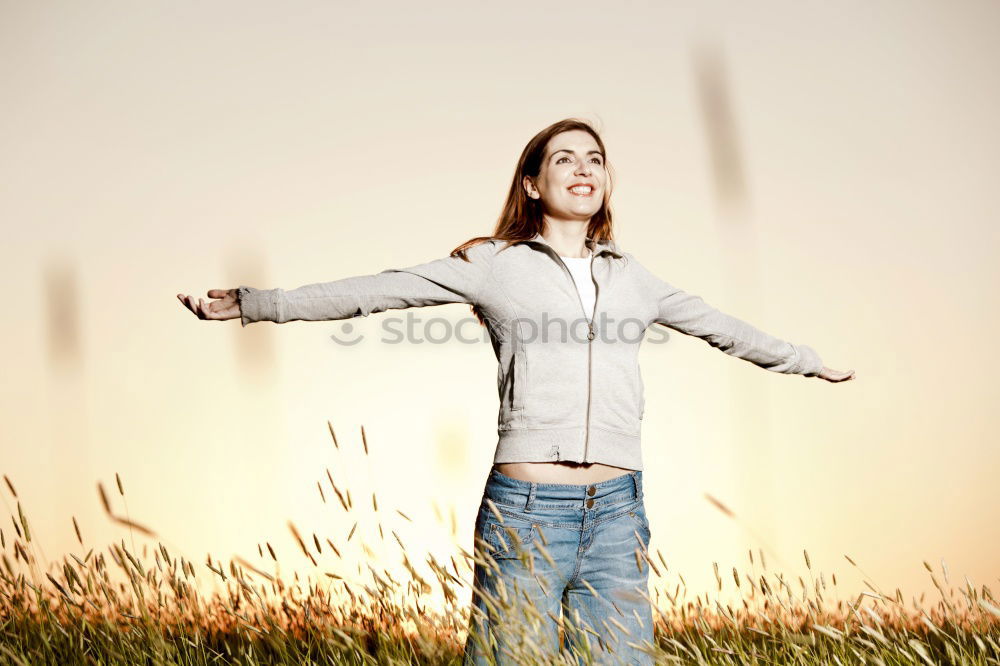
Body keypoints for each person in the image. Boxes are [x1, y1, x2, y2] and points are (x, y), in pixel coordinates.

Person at [178, 118, 855, 665]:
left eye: (595, 158)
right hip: (526, 515)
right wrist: (256, 302)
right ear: (532, 183)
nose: (585, 168)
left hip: (618, 514)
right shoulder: (493, 265)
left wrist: (805, 361)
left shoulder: (633, 278)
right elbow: (375, 290)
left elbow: (720, 327)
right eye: (564, 159)